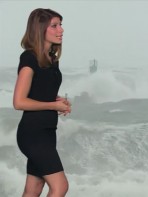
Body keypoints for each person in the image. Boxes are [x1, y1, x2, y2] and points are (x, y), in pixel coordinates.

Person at [13, 8, 71, 197]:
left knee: (34, 188)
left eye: (60, 25)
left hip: (47, 132)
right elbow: (19, 101)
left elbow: (39, 91)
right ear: (39, 29)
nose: (60, 29)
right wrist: (53, 106)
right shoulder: (29, 58)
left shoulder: (51, 59)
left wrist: (57, 100)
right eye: (54, 25)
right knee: (60, 187)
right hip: (33, 134)